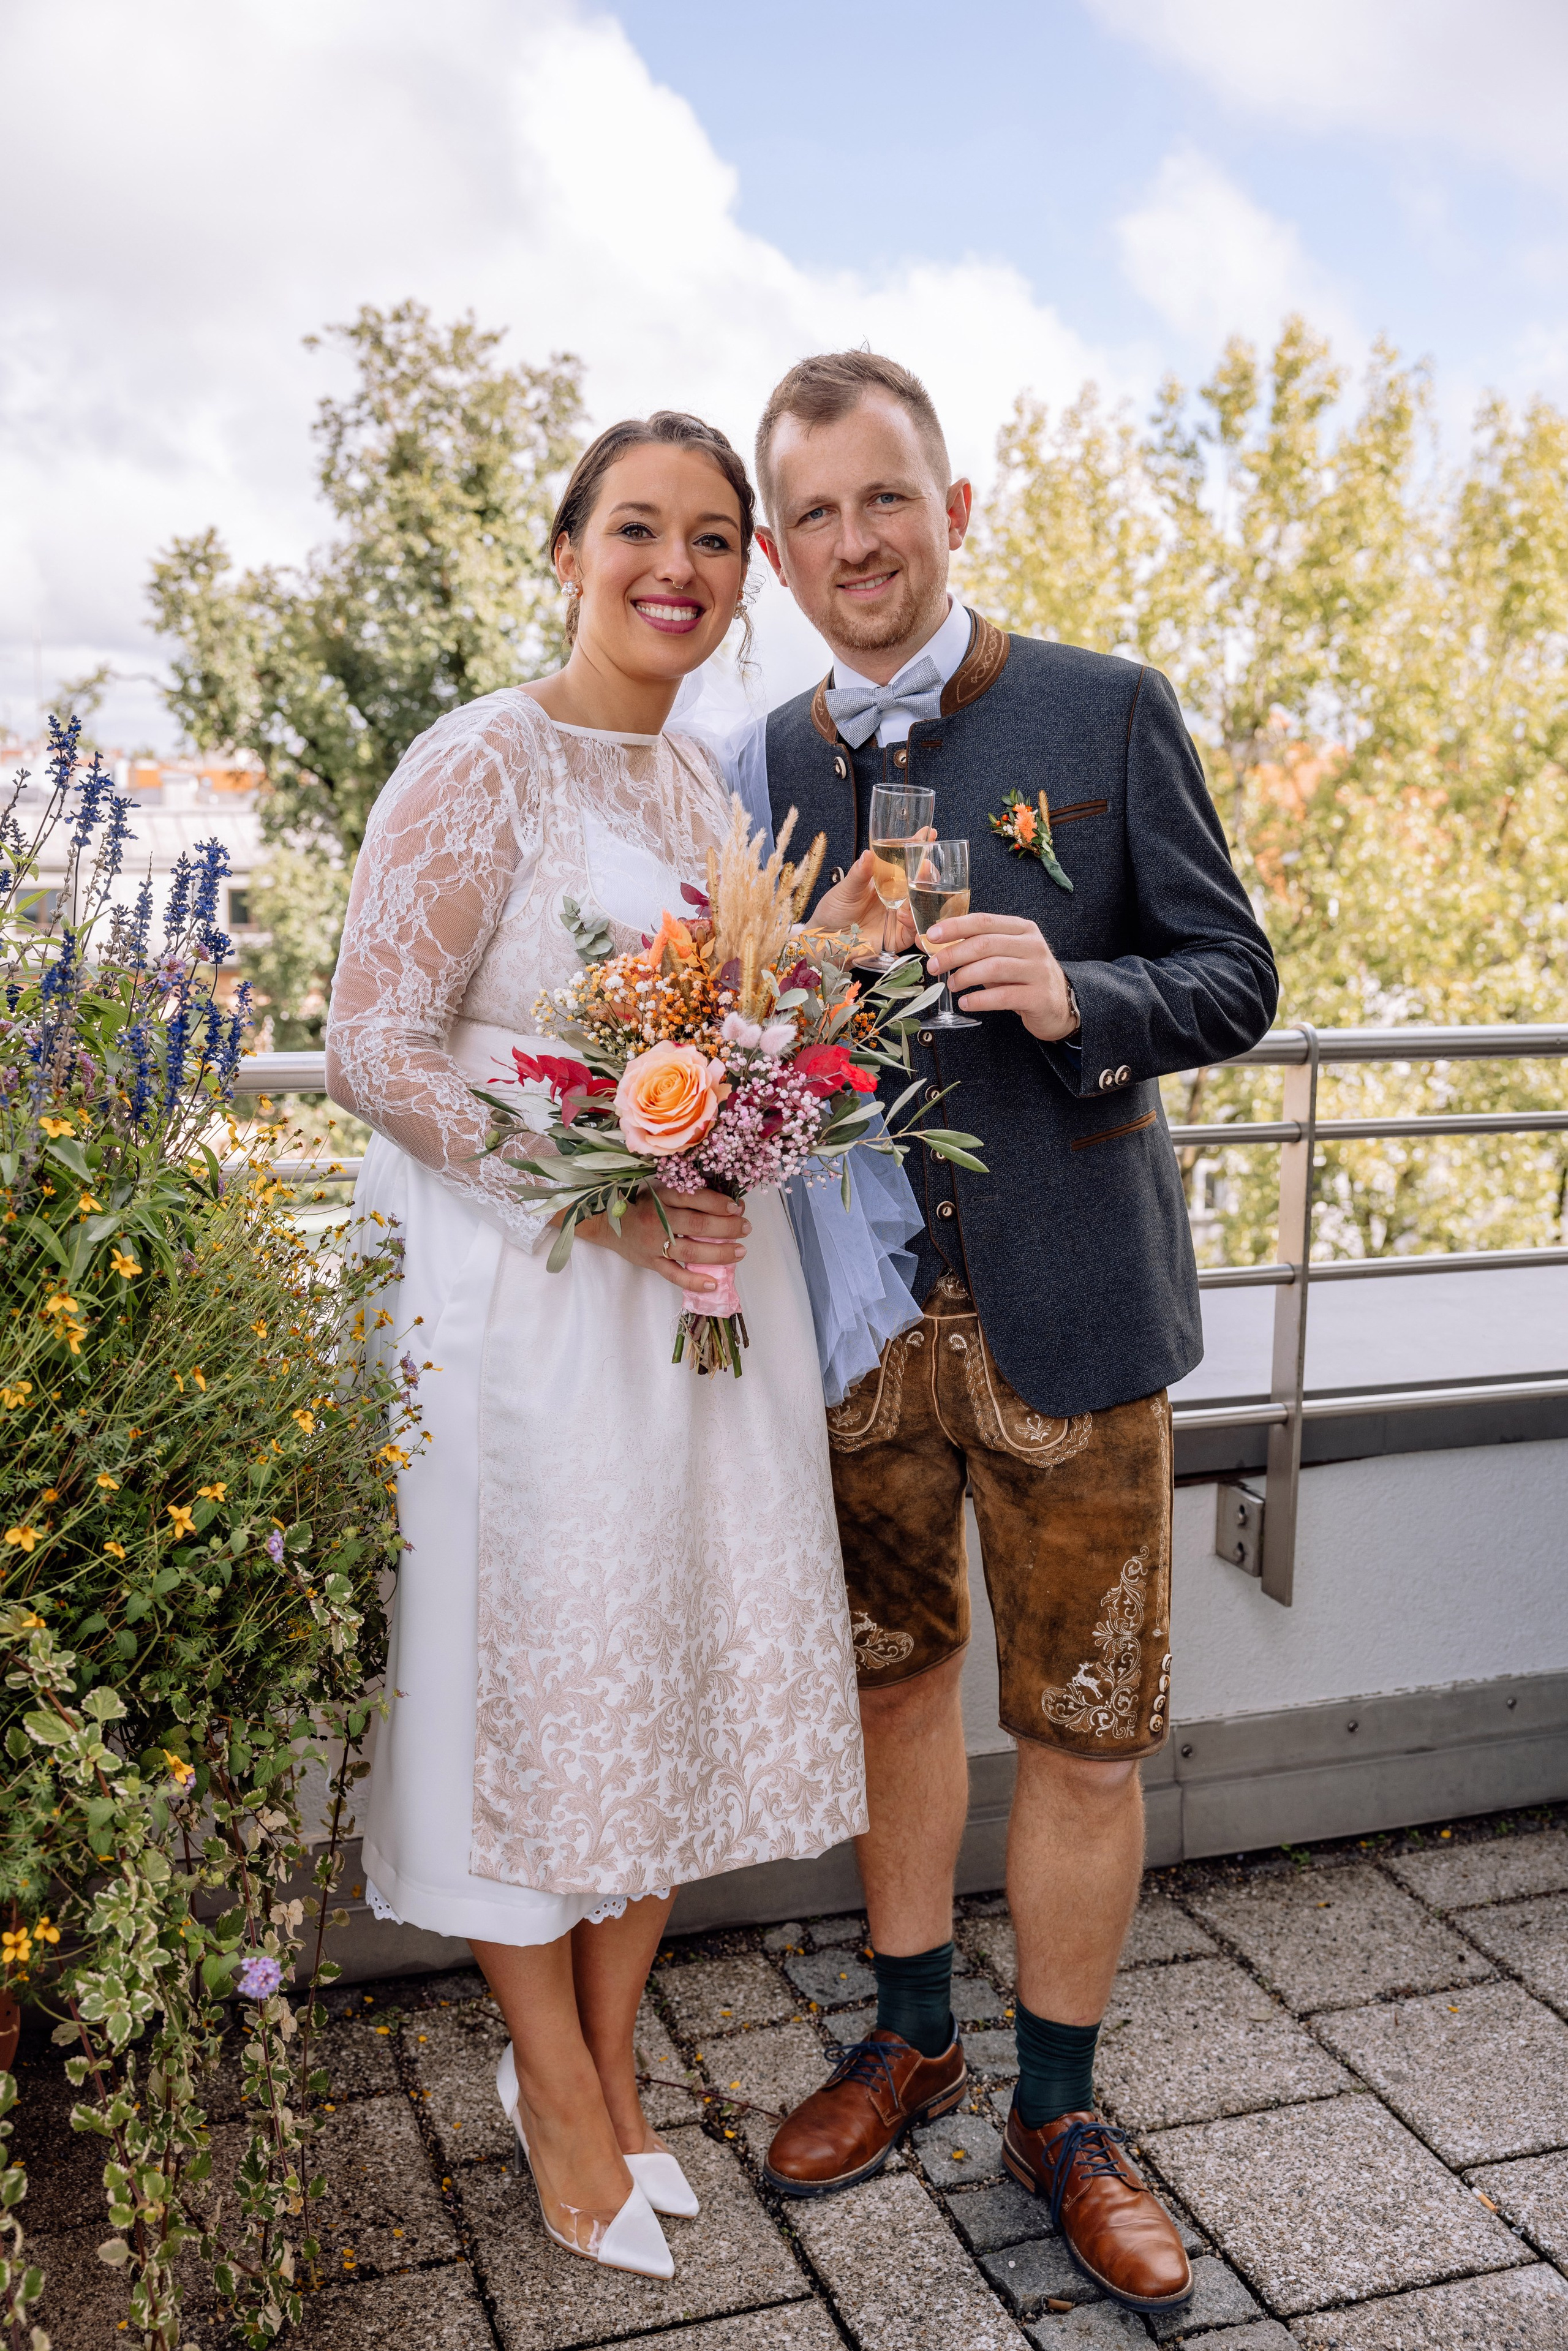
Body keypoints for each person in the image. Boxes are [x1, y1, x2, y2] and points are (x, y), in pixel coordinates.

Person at [733, 352, 1278, 2321]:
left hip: (1074, 1316)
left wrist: (1079, 988)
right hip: (858, 1327)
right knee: (892, 1696)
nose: (855, 542)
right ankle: (908, 2038)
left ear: (953, 507)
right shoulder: (770, 760)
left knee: (1087, 1737)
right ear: (782, 549)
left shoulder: (1104, 708)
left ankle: (1060, 2111)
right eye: (816, 515)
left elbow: (1235, 980)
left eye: (888, 500)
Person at [325, 412, 882, 2280]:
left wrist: (804, 1042)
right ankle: (550, 2082)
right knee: (526, 1674)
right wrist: (601, 1199)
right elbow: (377, 1040)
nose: (679, 565)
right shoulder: (481, 758)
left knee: (662, 1660)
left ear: (744, 582)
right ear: (566, 548)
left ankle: (618, 2059)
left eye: (716, 538)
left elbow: (743, 1027)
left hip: (698, 1316)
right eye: (639, 528)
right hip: (535, 1312)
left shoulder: (707, 795)